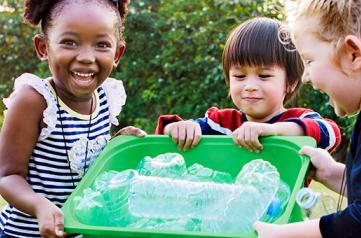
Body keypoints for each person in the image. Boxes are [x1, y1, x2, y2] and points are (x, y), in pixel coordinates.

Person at [253, 0, 361, 237]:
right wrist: (332, 173)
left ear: (353, 55)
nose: (306, 77)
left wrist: (280, 234)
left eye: (309, 61)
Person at [0, 0, 145, 237]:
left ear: (117, 53)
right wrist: (39, 205)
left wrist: (117, 146)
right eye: (69, 42)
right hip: (25, 233)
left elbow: (85, 163)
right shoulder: (34, 101)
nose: (87, 57)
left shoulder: (107, 97)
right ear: (43, 47)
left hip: (79, 231)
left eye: (101, 44)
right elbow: (7, 175)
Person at [156, 17, 341, 154]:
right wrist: (177, 129)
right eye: (239, 76)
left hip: (285, 207)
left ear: (291, 83)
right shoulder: (221, 124)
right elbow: (169, 134)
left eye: (264, 75)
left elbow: (331, 134)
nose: (250, 86)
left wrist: (273, 130)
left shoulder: (298, 119)